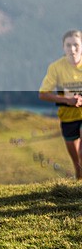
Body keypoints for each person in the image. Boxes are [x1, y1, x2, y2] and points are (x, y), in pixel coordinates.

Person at [39, 30, 82, 180]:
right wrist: (67, 100)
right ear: (63, 47)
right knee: (77, 163)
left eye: (76, 45)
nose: (72, 49)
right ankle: (78, 178)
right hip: (67, 117)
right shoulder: (56, 67)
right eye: (68, 45)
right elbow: (43, 94)